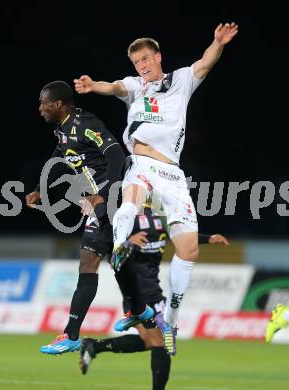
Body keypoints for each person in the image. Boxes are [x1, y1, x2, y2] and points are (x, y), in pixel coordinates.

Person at [74, 23, 238, 353]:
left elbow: (205, 62)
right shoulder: (136, 86)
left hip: (173, 174)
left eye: (147, 59)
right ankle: (121, 255)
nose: (143, 66)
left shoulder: (180, 80)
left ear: (158, 56)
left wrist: (218, 42)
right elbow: (114, 86)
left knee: (189, 249)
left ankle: (171, 323)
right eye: (137, 62)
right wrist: (93, 86)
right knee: (131, 199)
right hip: (141, 162)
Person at [26, 80, 153, 355]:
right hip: (98, 202)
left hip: (113, 199)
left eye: (43, 103)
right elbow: (60, 154)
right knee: (106, 257)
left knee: (92, 259)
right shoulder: (63, 129)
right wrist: (39, 188)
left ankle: (73, 334)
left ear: (57, 104)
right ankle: (140, 309)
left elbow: (117, 155)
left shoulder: (85, 123)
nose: (40, 109)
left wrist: (103, 194)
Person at [79, 202, 230, 390]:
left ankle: (95, 346)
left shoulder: (160, 218)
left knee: (151, 341)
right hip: (136, 293)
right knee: (161, 344)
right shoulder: (127, 218)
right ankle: (95, 346)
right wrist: (127, 243)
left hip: (153, 291)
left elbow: (181, 236)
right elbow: (114, 260)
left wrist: (209, 239)